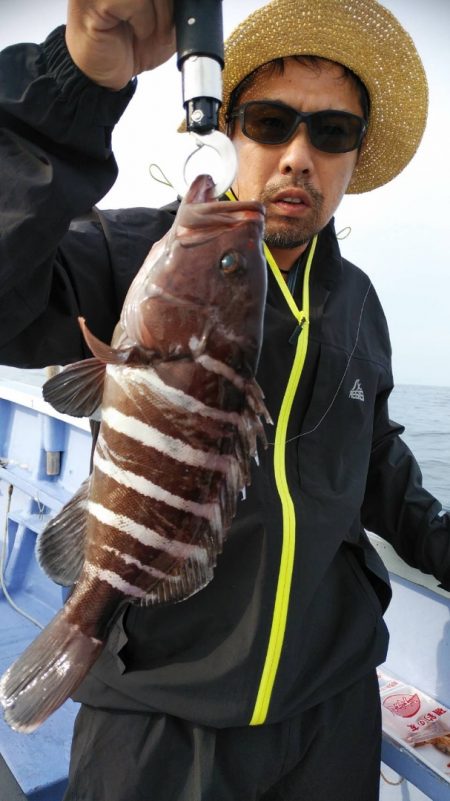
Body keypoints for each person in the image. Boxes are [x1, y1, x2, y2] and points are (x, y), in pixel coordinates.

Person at [0, 0, 449, 799]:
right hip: (158, 717)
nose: (298, 157)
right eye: (271, 123)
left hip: (330, 710)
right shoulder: (138, 255)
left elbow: (374, 457)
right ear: (232, 131)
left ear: (355, 156)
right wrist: (75, 88)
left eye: (332, 132)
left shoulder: (359, 304)